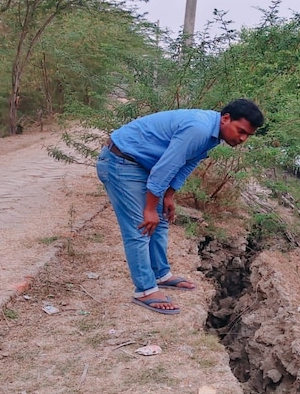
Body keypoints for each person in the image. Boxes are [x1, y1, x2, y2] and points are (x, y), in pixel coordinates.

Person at [96, 99, 265, 315]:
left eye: (247, 136)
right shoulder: (199, 128)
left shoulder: (213, 133)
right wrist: (149, 208)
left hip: (140, 166)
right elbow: (166, 166)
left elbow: (188, 162)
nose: (242, 139)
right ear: (226, 118)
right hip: (121, 162)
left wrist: (169, 195)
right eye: (240, 131)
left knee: (161, 221)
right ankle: (145, 290)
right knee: (140, 227)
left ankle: (161, 274)